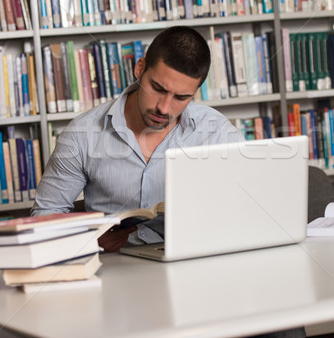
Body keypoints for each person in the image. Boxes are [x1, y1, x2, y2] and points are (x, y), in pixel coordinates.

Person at [31, 26, 243, 251]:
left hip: (191, 259)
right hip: (114, 267)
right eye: (158, 88)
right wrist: (88, 241)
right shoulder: (80, 135)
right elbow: (44, 218)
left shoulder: (217, 132)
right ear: (140, 68)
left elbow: (251, 205)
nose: (164, 107)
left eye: (181, 98)